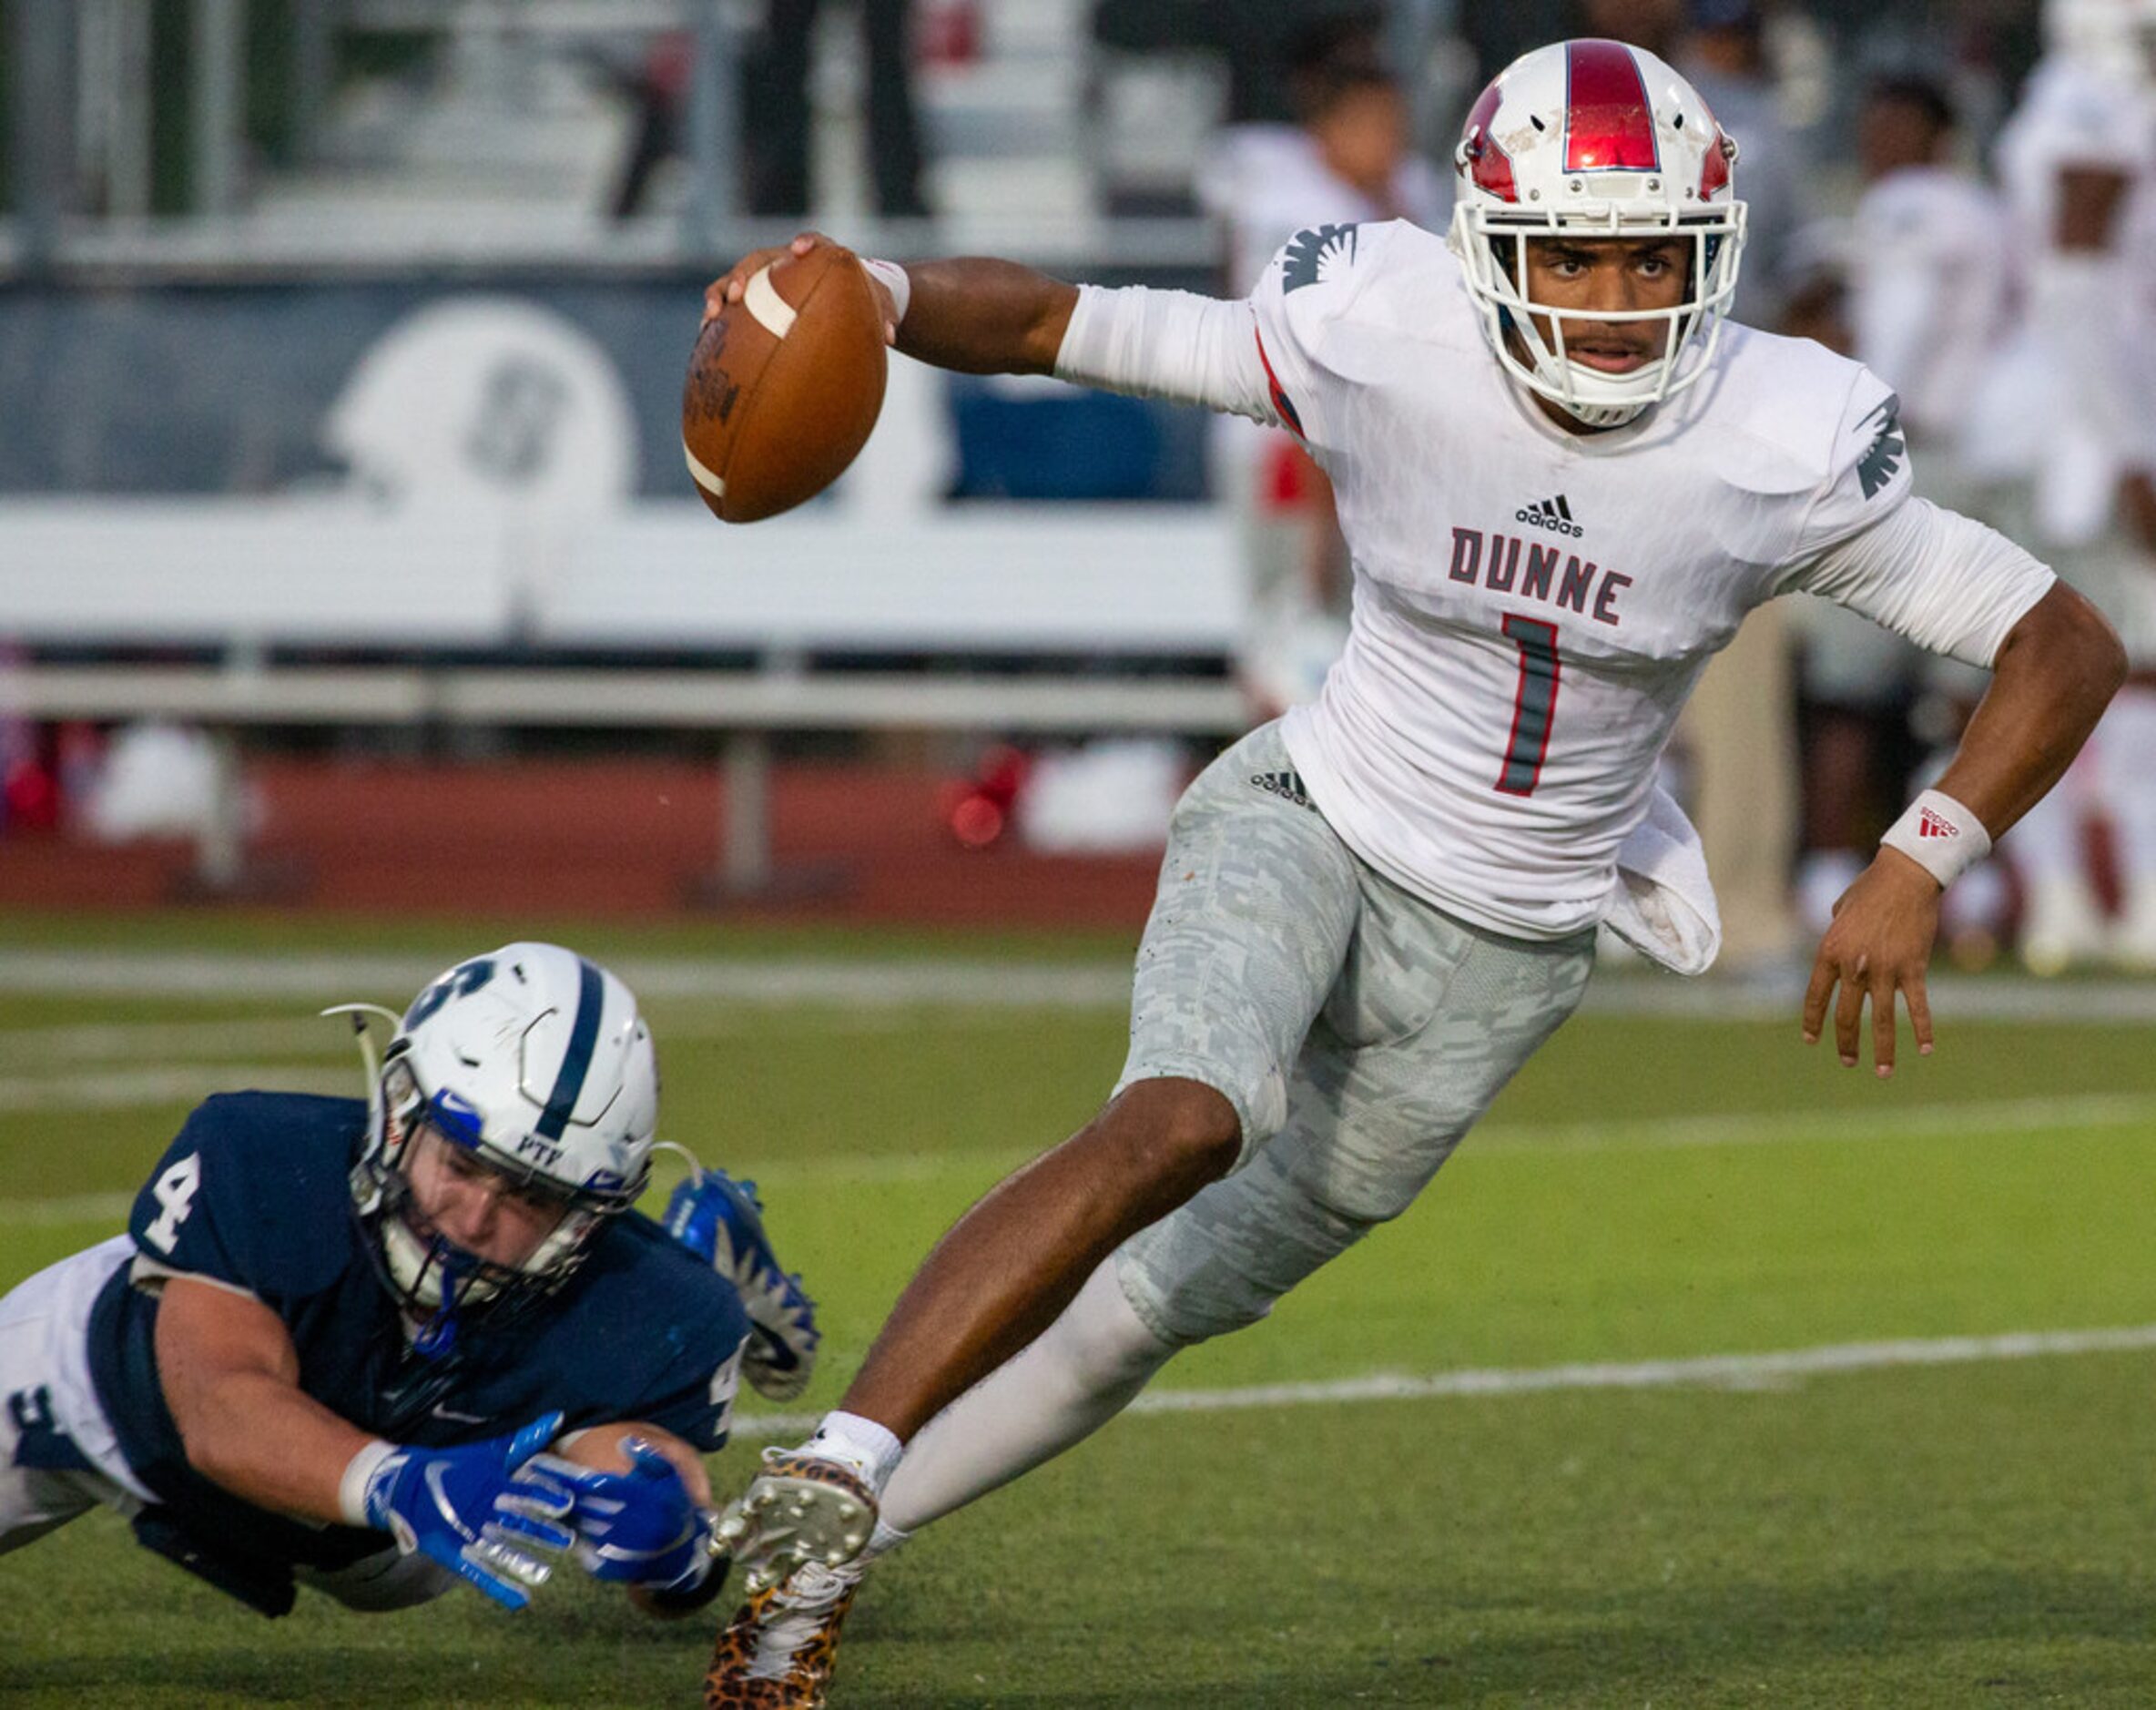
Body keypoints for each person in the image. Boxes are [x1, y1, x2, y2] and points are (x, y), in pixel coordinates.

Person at [698, 37, 2123, 1707]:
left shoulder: (1775, 431)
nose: (1606, 297)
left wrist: (1916, 855)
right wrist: (869, 284)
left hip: (1506, 952)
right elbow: (1059, 326)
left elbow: (2061, 640)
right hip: (1313, 810)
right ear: (1482, 247)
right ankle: (846, 1460)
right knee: (1180, 1115)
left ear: (1708, 255)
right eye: (1569, 255)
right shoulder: (1386, 332)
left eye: (1648, 256)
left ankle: (781, 1556)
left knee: (1136, 1318)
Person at [0, 942, 818, 1621]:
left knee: (577, 1410)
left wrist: (672, 1548)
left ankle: (689, 1248)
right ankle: (687, 1242)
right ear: (398, 1112)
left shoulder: (640, 1307)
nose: (475, 1216)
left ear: (588, 1215)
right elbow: (216, 1409)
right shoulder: (264, 1161)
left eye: (531, 1196)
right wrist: (398, 1480)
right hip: (94, 1399)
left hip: (383, 1546)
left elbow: (635, 1484)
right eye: (462, 1162)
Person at [1789, 73, 2013, 941]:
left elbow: (1898, 341)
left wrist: (1848, 427)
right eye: (1873, 123)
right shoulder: (1965, 210)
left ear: (1937, 136)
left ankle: (1838, 883)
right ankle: (1959, 891)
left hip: (1909, 459)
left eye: (1899, 125)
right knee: (1949, 703)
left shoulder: (1920, 204)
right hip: (1957, 457)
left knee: (1858, 695)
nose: (1880, 141)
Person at [1963, 0, 2156, 971]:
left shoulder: (2053, 97)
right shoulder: (2102, 105)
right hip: (2077, 425)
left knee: (2040, 669)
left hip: (2041, 413)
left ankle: (2066, 901)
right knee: (2121, 668)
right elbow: (2078, 284)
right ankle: (2118, 899)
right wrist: (2133, 445)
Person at [1195, 14, 1452, 717]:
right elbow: (1310, 358)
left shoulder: (1403, 191)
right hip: (1284, 439)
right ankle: (1275, 801)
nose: (1391, 141)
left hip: (1367, 444)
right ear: (1328, 127)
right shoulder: (1289, 196)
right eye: (1375, 123)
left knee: (1353, 645)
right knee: (1291, 633)